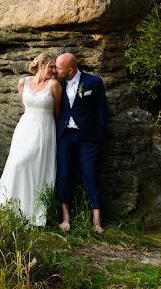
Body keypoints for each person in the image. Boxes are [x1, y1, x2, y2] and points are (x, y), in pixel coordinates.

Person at [0, 52, 63, 226]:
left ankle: (31, 212)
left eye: (55, 67)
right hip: (24, 129)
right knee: (14, 165)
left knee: (28, 165)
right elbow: (25, 107)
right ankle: (8, 208)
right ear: (41, 64)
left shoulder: (54, 84)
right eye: (51, 66)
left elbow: (57, 112)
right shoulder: (23, 82)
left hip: (44, 128)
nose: (54, 71)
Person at [54, 52, 107, 234]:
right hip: (65, 137)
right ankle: (65, 218)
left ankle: (97, 221)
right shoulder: (57, 83)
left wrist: (98, 137)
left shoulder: (93, 82)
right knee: (64, 174)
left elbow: (102, 112)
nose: (55, 70)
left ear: (70, 69)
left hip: (88, 138)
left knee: (90, 174)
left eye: (59, 68)